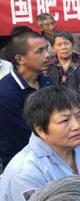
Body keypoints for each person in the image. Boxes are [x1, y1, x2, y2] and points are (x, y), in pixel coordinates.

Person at [0, 30, 51, 168]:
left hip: (55, 150)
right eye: (40, 51)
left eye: (46, 48)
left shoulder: (46, 82)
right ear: (20, 59)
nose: (47, 55)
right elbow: (24, 137)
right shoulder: (6, 93)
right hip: (25, 162)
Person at [46, 31, 80, 121]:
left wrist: (69, 112)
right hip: (52, 110)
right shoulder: (48, 65)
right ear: (53, 48)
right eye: (59, 44)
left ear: (72, 45)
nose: (64, 47)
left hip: (79, 110)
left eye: (66, 43)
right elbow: (44, 92)